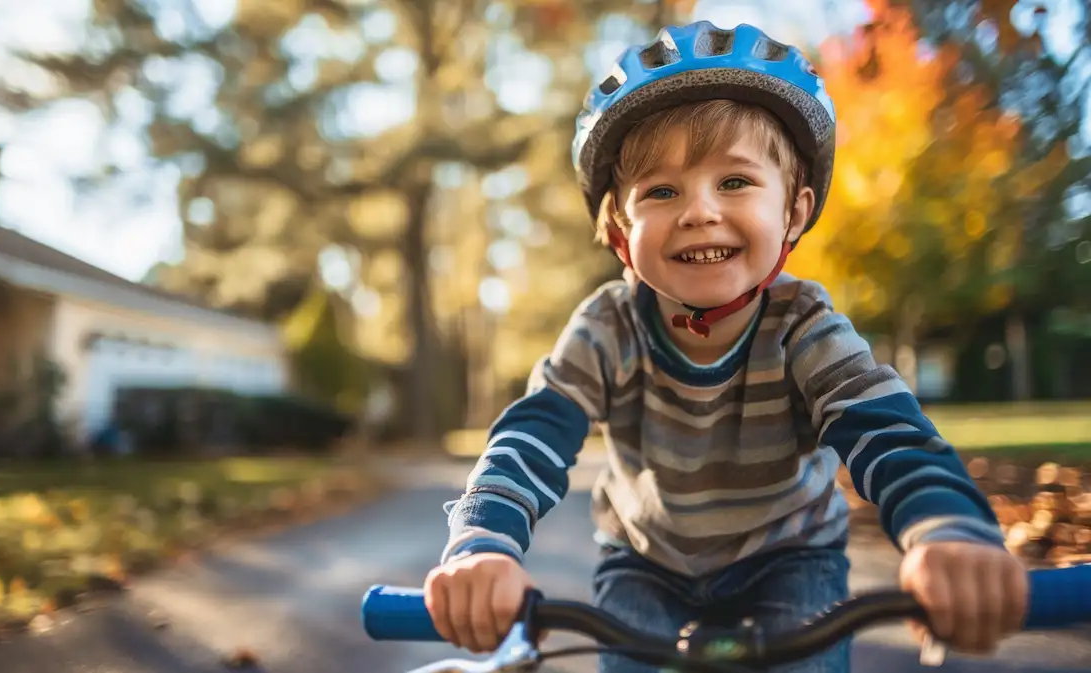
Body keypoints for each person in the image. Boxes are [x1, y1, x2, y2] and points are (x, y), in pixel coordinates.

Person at [421, 20, 1027, 673]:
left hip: (790, 556)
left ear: (793, 213)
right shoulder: (609, 327)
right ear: (622, 234)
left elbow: (886, 430)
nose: (699, 211)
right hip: (645, 563)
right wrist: (481, 544)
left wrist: (946, 530)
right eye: (661, 190)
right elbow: (531, 434)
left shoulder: (804, 325)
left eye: (734, 182)